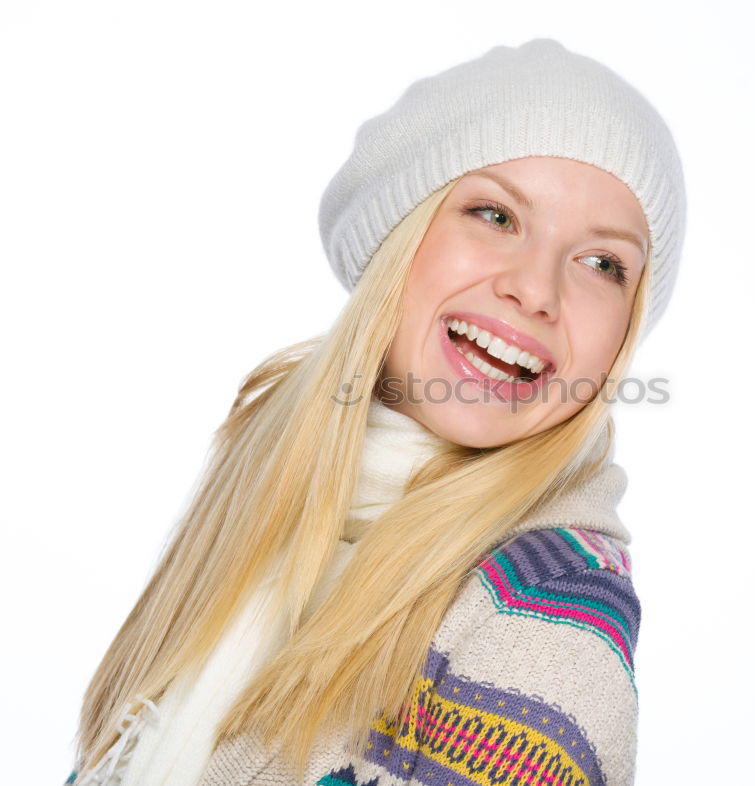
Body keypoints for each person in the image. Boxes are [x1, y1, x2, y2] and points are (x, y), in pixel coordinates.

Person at [66, 38, 686, 786]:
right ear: (398, 235)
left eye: (603, 263)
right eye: (495, 215)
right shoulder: (265, 479)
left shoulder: (546, 618)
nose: (537, 291)